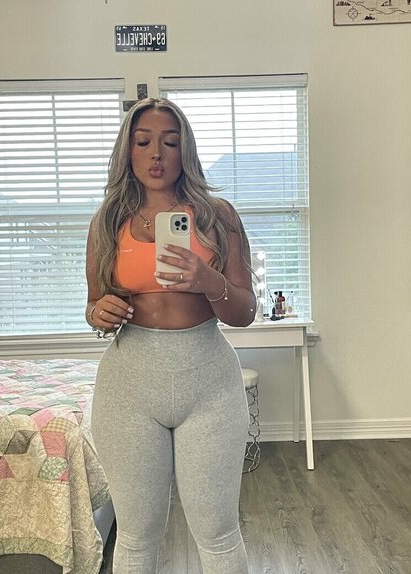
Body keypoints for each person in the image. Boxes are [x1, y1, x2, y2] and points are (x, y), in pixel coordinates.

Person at [85, 97, 256, 574]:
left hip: (209, 385)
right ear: (128, 150)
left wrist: (209, 281)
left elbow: (245, 311)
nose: (156, 154)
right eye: (143, 142)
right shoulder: (107, 221)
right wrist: (100, 312)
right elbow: (94, 303)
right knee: (135, 537)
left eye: (170, 142)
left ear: (187, 151)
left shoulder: (218, 216)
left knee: (219, 534)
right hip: (128, 389)